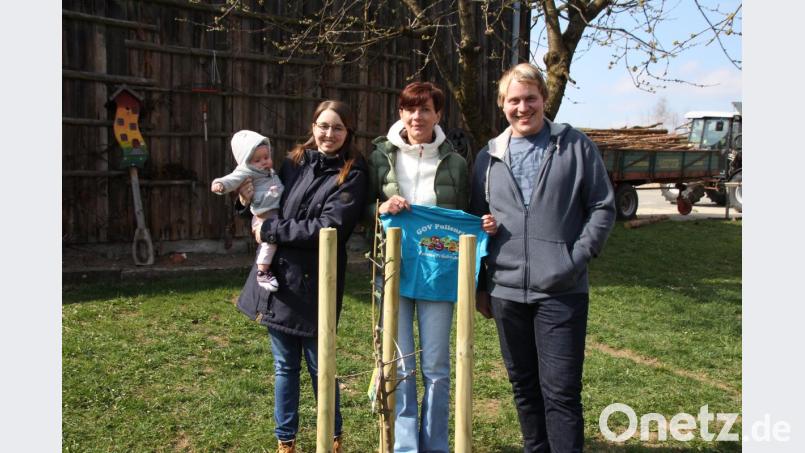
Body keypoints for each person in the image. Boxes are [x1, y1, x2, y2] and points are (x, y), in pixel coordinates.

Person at [470, 63, 616, 453]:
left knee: (561, 390)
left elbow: (602, 206)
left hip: (561, 290)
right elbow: (476, 221)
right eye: (514, 100)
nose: (523, 108)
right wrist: (482, 285)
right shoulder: (488, 156)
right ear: (502, 104)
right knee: (523, 386)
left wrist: (575, 259)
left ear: (544, 99)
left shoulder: (575, 146)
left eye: (530, 98)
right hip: (506, 291)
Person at [235, 100, 368, 453]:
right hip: (280, 280)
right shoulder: (294, 162)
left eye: (337, 127)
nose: (329, 134)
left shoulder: (353, 174)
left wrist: (271, 231)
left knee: (320, 367)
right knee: (284, 367)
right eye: (323, 126)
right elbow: (270, 203)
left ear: (348, 132)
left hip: (317, 284)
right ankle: (286, 442)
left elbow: (328, 227)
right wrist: (246, 202)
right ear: (313, 127)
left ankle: (332, 439)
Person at [367, 81, 493, 453]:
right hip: (394, 270)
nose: (417, 117)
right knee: (401, 364)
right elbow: (361, 207)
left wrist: (481, 224)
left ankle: (436, 445)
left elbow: (465, 214)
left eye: (425, 109)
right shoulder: (381, 157)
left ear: (438, 115)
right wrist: (380, 207)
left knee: (436, 367)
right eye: (410, 108)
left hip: (439, 274)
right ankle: (406, 446)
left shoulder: (455, 163)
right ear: (400, 113)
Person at [212, 130, 283, 291]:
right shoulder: (246, 171)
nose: (264, 162)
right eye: (257, 160)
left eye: (266, 157)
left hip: (274, 212)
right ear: (247, 162)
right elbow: (232, 179)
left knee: (273, 241)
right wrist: (220, 184)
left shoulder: (268, 172)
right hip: (264, 215)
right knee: (270, 243)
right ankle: (262, 271)